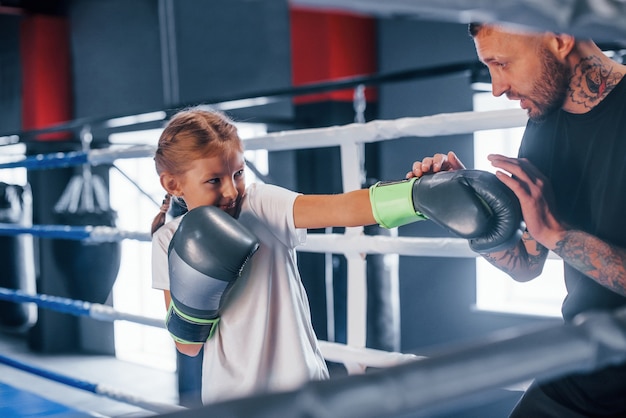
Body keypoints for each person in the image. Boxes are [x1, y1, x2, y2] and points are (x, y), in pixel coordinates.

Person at [150, 107, 515, 406]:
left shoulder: (258, 204)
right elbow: (188, 345)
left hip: (304, 389)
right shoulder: (166, 242)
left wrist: (415, 196)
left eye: (239, 173)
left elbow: (342, 209)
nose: (232, 189)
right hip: (232, 402)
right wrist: (197, 284)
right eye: (214, 180)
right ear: (173, 184)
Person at [408, 22, 626, 417]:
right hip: (582, 370)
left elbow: (551, 235)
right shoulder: (543, 127)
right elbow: (527, 265)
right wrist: (475, 214)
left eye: (502, 63)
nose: (495, 87)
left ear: (560, 39)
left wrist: (557, 233)